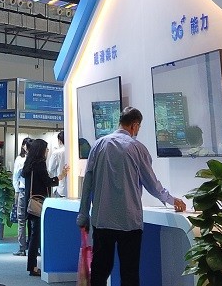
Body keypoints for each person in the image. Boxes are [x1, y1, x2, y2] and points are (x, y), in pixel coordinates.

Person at [77, 107, 186, 286]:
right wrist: (172, 200)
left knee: (100, 270)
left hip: (102, 219)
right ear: (135, 125)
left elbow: (87, 183)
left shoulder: (98, 145)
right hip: (129, 221)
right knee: (129, 273)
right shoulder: (137, 148)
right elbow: (152, 184)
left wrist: (83, 215)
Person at [24, 138, 68, 277]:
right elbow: (47, 182)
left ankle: (32, 266)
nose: (48, 151)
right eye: (46, 149)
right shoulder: (40, 164)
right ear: (41, 150)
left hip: (30, 204)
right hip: (38, 203)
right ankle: (33, 267)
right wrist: (60, 176)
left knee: (33, 236)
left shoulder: (29, 164)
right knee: (36, 236)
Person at [12, 137, 32, 256]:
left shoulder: (20, 159)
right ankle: (32, 247)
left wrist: (16, 191)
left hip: (23, 190)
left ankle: (22, 248)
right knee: (31, 220)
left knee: (22, 219)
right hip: (30, 191)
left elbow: (15, 176)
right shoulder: (35, 160)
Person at [47, 130, 68, 198]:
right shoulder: (75, 151)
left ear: (60, 141)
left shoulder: (57, 153)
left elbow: (50, 169)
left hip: (60, 185)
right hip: (72, 187)